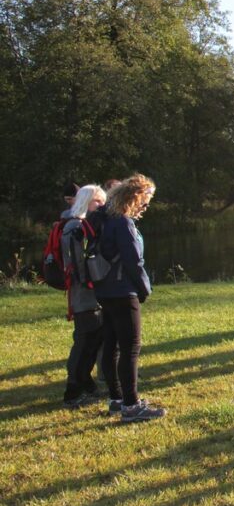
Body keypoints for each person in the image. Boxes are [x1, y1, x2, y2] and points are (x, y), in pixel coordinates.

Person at [96, 174, 165, 422]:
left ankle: (116, 399)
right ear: (134, 196)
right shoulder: (123, 223)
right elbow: (134, 261)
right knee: (130, 348)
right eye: (146, 200)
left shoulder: (106, 219)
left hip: (105, 290)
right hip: (123, 291)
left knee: (112, 346)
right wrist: (144, 288)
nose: (147, 206)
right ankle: (131, 405)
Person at [60, 184, 107, 407]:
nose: (102, 206)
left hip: (92, 294)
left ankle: (86, 385)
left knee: (94, 340)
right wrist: (93, 281)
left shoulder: (85, 225)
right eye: (98, 201)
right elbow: (77, 265)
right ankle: (73, 392)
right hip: (83, 294)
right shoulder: (74, 227)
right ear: (86, 201)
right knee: (84, 341)